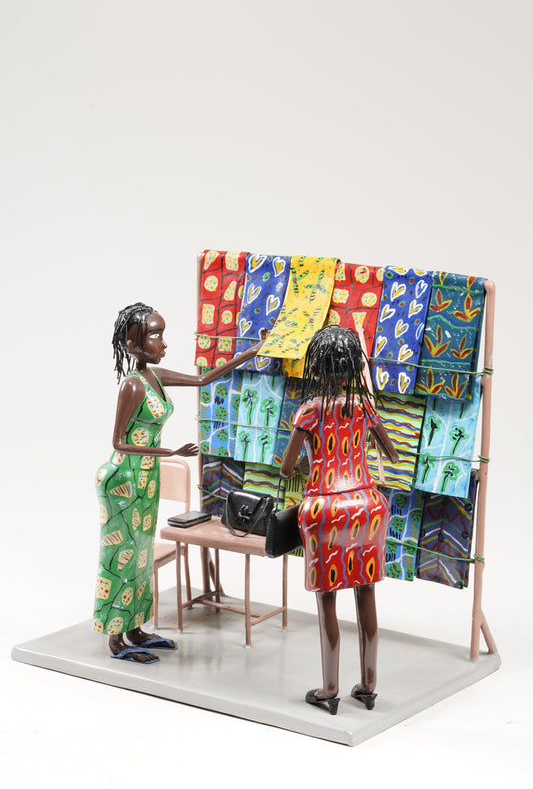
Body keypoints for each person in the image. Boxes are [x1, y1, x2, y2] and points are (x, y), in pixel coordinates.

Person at [94, 302, 266, 664]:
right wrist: (169, 450)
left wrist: (249, 353)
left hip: (145, 478)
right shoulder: (132, 385)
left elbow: (203, 379)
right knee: (119, 558)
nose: (163, 343)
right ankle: (116, 640)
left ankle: (136, 628)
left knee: (141, 555)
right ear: (132, 343)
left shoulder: (154, 377)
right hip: (123, 477)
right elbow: (118, 442)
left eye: (161, 334)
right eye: (155, 335)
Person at [280, 325, 397, 713]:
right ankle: (368, 685)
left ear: (319, 367)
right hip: (367, 504)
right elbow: (393, 454)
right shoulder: (364, 406)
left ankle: (329, 690)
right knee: (366, 593)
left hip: (325, 510)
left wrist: (302, 458)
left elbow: (286, 468)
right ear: (352, 368)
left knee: (327, 601)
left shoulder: (310, 410)